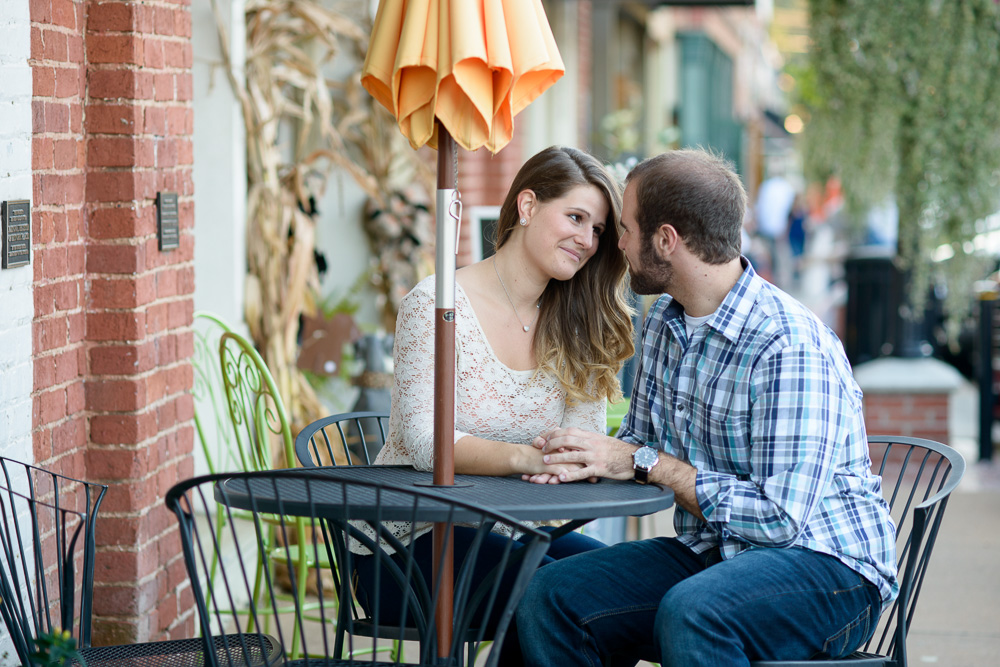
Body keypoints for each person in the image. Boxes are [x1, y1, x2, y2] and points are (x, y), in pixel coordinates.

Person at [516, 148, 898, 666]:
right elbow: (635, 448)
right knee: (553, 594)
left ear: (666, 240)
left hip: (828, 570)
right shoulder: (665, 323)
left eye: (625, 229)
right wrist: (575, 456)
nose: (617, 244)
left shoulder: (787, 344)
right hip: (714, 556)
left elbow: (780, 519)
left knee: (694, 613)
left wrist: (649, 465)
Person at [353, 145, 636, 662]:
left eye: (597, 230)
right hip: (407, 544)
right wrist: (529, 458)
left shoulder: (578, 321)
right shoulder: (437, 304)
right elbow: (426, 441)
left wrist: (573, 460)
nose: (587, 240)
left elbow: (581, 443)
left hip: (513, 532)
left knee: (623, 596)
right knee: (566, 601)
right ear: (526, 206)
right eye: (575, 217)